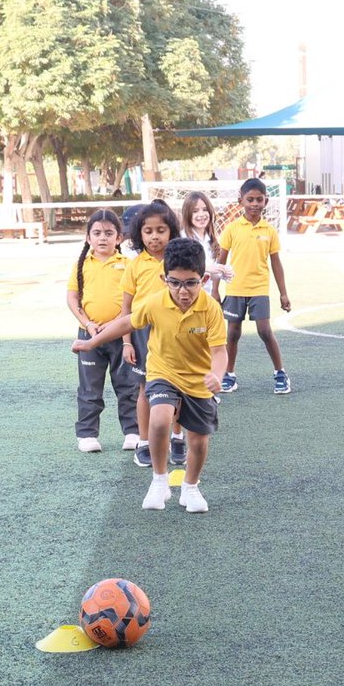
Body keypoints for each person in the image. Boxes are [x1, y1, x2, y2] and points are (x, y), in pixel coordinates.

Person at [73, 237, 226, 513]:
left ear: (203, 279)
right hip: (162, 372)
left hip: (198, 380)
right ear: (163, 279)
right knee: (159, 419)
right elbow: (126, 323)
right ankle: (159, 480)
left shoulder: (211, 309)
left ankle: (190, 488)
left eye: (190, 283)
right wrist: (91, 342)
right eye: (175, 282)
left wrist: (216, 375)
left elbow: (219, 352)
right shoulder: (155, 303)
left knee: (198, 440)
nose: (182, 291)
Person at [66, 209, 138, 453]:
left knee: (128, 386)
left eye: (109, 233)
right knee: (90, 388)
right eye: (97, 233)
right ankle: (87, 435)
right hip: (89, 335)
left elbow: (132, 302)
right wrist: (88, 323)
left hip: (121, 335)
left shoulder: (128, 265)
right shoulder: (81, 265)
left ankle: (133, 431)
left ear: (119, 238)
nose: (102, 238)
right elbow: (72, 297)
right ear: (88, 238)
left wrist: (115, 324)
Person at [120, 202, 185, 468]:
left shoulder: (177, 261)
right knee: (144, 388)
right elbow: (126, 308)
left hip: (174, 331)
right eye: (148, 231)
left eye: (161, 230)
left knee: (178, 386)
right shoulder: (135, 265)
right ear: (140, 234)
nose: (154, 236)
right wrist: (126, 342)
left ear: (171, 232)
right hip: (142, 333)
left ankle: (177, 437)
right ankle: (144, 442)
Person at [216, 177, 292, 394]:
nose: (255, 204)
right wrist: (214, 290)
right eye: (250, 199)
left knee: (265, 331)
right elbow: (221, 261)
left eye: (259, 199)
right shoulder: (232, 229)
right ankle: (229, 374)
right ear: (241, 200)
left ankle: (280, 373)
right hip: (235, 288)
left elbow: (276, 263)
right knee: (232, 333)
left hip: (259, 288)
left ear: (266, 201)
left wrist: (283, 294)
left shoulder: (269, 230)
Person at [179, 191, 233, 302]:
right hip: (187, 299)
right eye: (195, 211)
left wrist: (223, 272)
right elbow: (181, 268)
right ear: (187, 214)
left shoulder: (210, 240)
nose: (201, 214)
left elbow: (210, 275)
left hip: (206, 298)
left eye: (205, 209)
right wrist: (207, 268)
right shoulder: (183, 238)